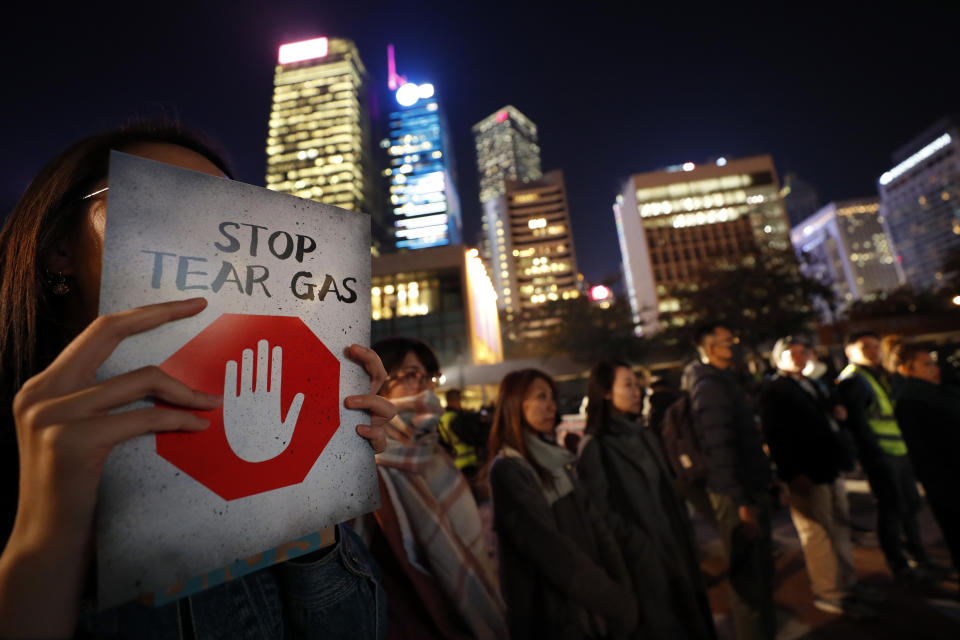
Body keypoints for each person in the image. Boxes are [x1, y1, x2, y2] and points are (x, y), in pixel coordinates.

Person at [0, 123, 395, 638]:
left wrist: (310, 489)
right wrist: (44, 541)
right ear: (59, 249)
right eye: (165, 205)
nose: (206, 242)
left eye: (228, 217)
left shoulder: (255, 410)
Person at [364, 337, 505, 640]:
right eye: (412, 374)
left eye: (429, 377)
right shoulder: (363, 464)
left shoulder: (433, 449)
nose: (425, 387)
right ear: (378, 379)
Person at [488, 369, 637, 639]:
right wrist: (614, 600)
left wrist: (619, 583)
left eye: (552, 397)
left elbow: (597, 526)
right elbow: (553, 552)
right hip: (554, 617)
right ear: (514, 404)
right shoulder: (509, 469)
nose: (551, 405)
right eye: (541, 397)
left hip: (588, 606)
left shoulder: (556, 460)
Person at [577, 361, 716, 639]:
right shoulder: (597, 446)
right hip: (645, 562)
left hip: (674, 545)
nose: (637, 391)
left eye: (636, 384)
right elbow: (600, 513)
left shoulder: (643, 433)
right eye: (627, 385)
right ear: (605, 392)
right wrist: (639, 547)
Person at [760, 337, 877, 617]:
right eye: (792, 353)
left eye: (803, 352)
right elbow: (776, 437)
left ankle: (847, 584)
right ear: (778, 358)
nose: (800, 357)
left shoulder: (813, 383)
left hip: (829, 467)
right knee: (818, 535)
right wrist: (793, 473)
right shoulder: (775, 390)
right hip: (808, 473)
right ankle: (829, 592)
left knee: (839, 527)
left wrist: (836, 412)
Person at [681, 323, 776, 640]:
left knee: (760, 574)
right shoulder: (709, 388)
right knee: (749, 580)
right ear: (710, 350)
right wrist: (742, 502)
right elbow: (720, 449)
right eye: (727, 342)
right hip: (736, 495)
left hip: (747, 488)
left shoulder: (722, 381)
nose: (734, 346)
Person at [837, 331, 939, 584]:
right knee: (892, 509)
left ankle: (920, 558)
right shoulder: (853, 379)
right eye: (865, 347)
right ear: (850, 352)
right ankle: (900, 564)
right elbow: (858, 423)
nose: (873, 351)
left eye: (875, 346)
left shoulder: (878, 375)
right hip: (882, 456)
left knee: (910, 506)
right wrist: (873, 453)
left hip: (898, 452)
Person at [890, 342, 960, 577]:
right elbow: (925, 449)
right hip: (947, 479)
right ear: (907, 369)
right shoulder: (912, 400)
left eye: (933, 364)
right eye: (926, 365)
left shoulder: (938, 392)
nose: (934, 369)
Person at [437, 388, 481, 479]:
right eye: (459, 399)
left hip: (453, 463)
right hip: (467, 464)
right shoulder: (456, 418)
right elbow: (470, 438)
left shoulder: (443, 417)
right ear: (455, 400)